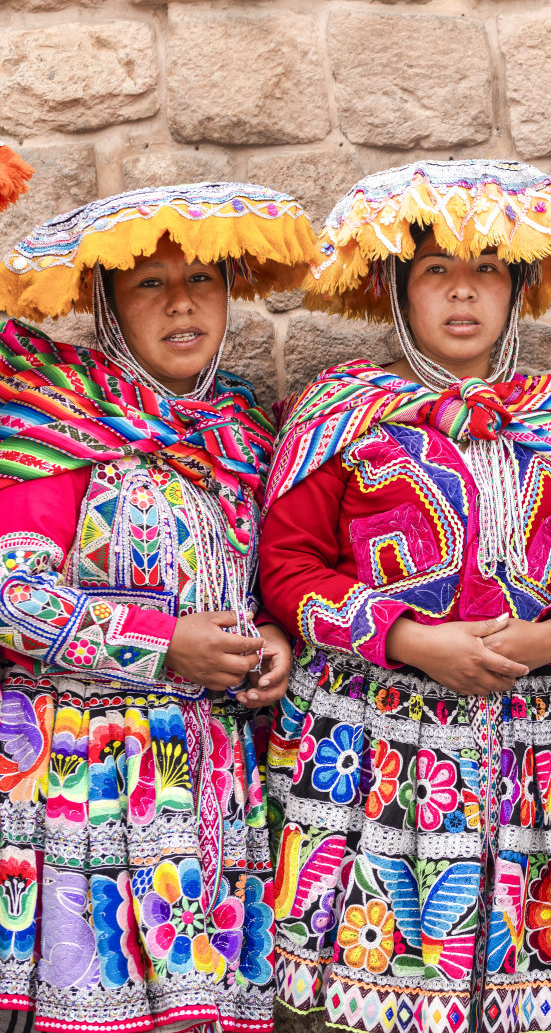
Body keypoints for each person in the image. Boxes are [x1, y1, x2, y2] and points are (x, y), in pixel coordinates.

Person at [259, 160, 551, 1033]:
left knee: (527, 983)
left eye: (487, 269)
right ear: (396, 288)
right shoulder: (344, 413)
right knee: (394, 983)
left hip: (541, 744)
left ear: (517, 290)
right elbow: (288, 568)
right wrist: (408, 639)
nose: (462, 291)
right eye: (435, 270)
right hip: (378, 744)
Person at [0, 179, 317, 1033]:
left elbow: (268, 575)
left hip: (208, 777)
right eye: (150, 283)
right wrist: (161, 639)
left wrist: (275, 637)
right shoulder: (59, 420)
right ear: (107, 304)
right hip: (79, 778)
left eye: (202, 279)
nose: (183, 303)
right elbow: (10, 594)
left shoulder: (245, 432)